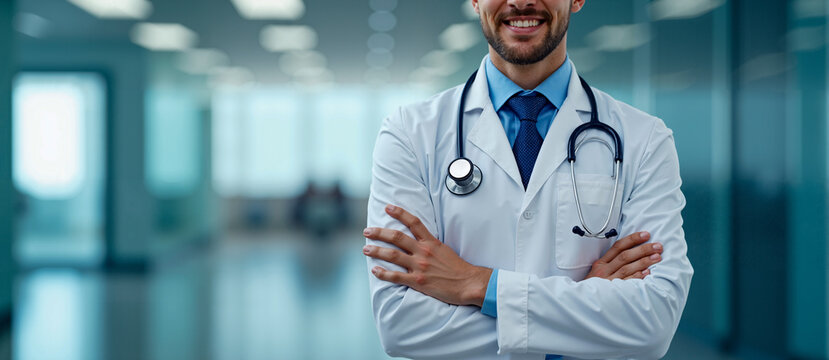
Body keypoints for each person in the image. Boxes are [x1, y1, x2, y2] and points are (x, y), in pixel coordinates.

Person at [362, 0, 693, 358]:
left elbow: (653, 321)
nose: (521, 2)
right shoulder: (410, 133)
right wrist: (579, 321)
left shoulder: (644, 139)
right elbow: (400, 323)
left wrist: (477, 284)